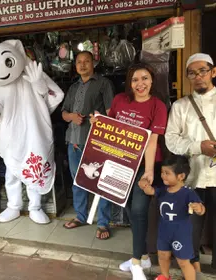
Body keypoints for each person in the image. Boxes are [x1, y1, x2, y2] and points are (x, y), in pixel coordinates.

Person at [90, 63, 168, 280]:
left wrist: (149, 171)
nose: (140, 84)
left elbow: (153, 141)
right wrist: (98, 122)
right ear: (129, 82)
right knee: (127, 209)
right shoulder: (119, 100)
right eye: (135, 79)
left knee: (140, 210)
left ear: (152, 80)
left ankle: (135, 264)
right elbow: (111, 127)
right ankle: (143, 256)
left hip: (145, 165)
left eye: (144, 78)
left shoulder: (158, 106)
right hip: (121, 164)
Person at [165, 53, 216, 272]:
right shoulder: (180, 106)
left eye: (202, 71)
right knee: (191, 228)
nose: (198, 77)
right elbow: (171, 139)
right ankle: (192, 272)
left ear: (213, 72)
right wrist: (197, 147)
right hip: (193, 178)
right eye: (192, 73)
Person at [61, 51, 114, 240]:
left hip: (95, 142)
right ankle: (81, 216)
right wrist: (72, 117)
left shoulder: (103, 83)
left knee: (101, 183)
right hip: (73, 141)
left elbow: (111, 113)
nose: (82, 65)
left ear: (94, 63)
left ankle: (103, 222)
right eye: (79, 62)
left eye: (87, 61)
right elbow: (64, 113)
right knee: (78, 182)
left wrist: (98, 119)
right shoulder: (73, 87)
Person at [139, 154, 205, 280]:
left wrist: (199, 208)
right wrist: (144, 185)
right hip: (164, 231)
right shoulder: (163, 190)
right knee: (163, 256)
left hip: (181, 233)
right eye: (162, 172)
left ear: (181, 176)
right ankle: (164, 276)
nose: (163, 175)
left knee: (183, 262)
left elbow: (202, 209)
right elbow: (150, 191)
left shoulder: (188, 193)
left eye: (167, 173)